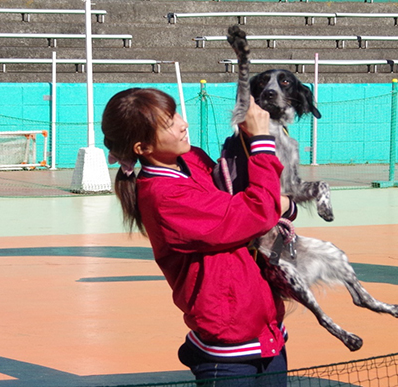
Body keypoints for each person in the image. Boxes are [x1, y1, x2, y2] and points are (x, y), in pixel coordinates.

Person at [101, 88, 290, 385]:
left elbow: (242, 194)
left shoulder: (194, 159)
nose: (182, 123)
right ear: (142, 147)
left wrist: (246, 134)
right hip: (228, 345)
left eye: (175, 113)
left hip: (267, 330)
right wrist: (262, 144)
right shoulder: (165, 197)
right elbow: (255, 213)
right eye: (168, 123)